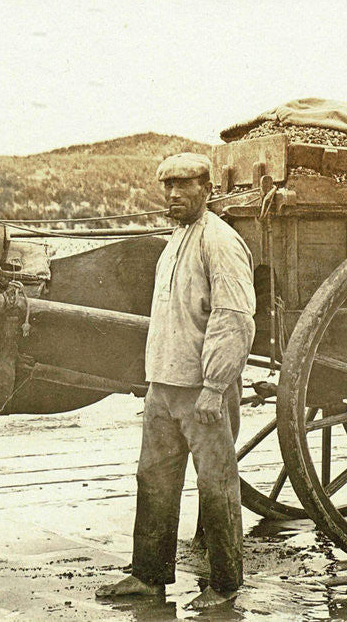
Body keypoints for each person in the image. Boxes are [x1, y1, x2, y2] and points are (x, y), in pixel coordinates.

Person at [97, 153, 256, 610]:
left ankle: (224, 585)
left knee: (216, 484)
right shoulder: (176, 240)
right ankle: (148, 577)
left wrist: (214, 385)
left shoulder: (220, 242)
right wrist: (153, 383)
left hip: (200, 392)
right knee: (154, 480)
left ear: (206, 189)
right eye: (167, 186)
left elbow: (234, 317)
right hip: (163, 388)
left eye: (183, 186)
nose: (173, 195)